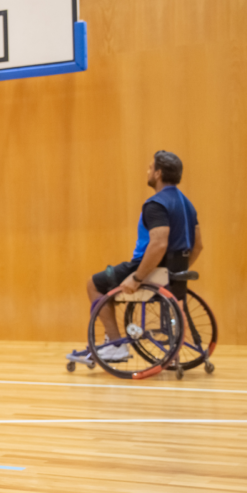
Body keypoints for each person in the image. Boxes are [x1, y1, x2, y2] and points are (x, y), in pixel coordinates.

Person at [70, 150, 201, 362]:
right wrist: (175, 272)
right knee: (107, 280)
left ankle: (115, 345)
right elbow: (198, 246)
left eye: (150, 167)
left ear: (158, 174)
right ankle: (110, 343)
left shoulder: (156, 204)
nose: (147, 171)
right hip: (172, 271)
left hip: (146, 267)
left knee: (94, 284)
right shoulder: (187, 204)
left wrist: (138, 277)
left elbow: (158, 244)